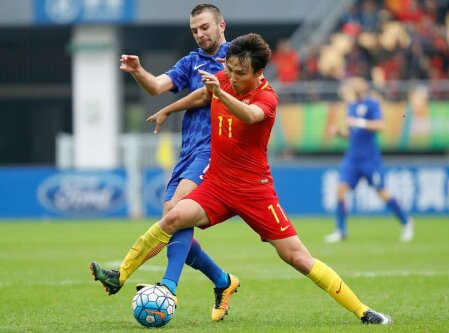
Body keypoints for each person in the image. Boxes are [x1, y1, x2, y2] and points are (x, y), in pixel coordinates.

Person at [93, 33, 392, 325]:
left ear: (259, 72)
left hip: (255, 192)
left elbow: (250, 116)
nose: (232, 77)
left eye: (240, 73)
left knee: (298, 258)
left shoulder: (267, 97)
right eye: (229, 70)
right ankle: (121, 275)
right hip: (218, 185)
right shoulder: (223, 80)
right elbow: (204, 93)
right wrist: (168, 110)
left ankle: (363, 311)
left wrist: (221, 93)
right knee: (174, 217)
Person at [90, 4, 240, 322]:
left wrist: (169, 110)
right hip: (188, 153)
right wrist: (137, 71)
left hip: (215, 151)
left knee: (175, 214)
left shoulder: (237, 59)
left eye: (204, 27)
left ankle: (167, 288)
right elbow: (157, 86)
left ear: (221, 24)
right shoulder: (191, 61)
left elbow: (206, 96)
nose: (200, 34)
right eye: (194, 30)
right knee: (172, 226)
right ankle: (223, 281)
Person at [324, 77, 414, 243]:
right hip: (352, 158)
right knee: (340, 190)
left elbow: (380, 126)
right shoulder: (350, 107)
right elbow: (353, 133)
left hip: (369, 158)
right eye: (353, 83)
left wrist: (358, 121)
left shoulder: (372, 104)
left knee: (382, 192)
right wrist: (339, 133)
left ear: (365, 86)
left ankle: (406, 222)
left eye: (359, 82)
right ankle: (341, 230)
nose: (355, 85)